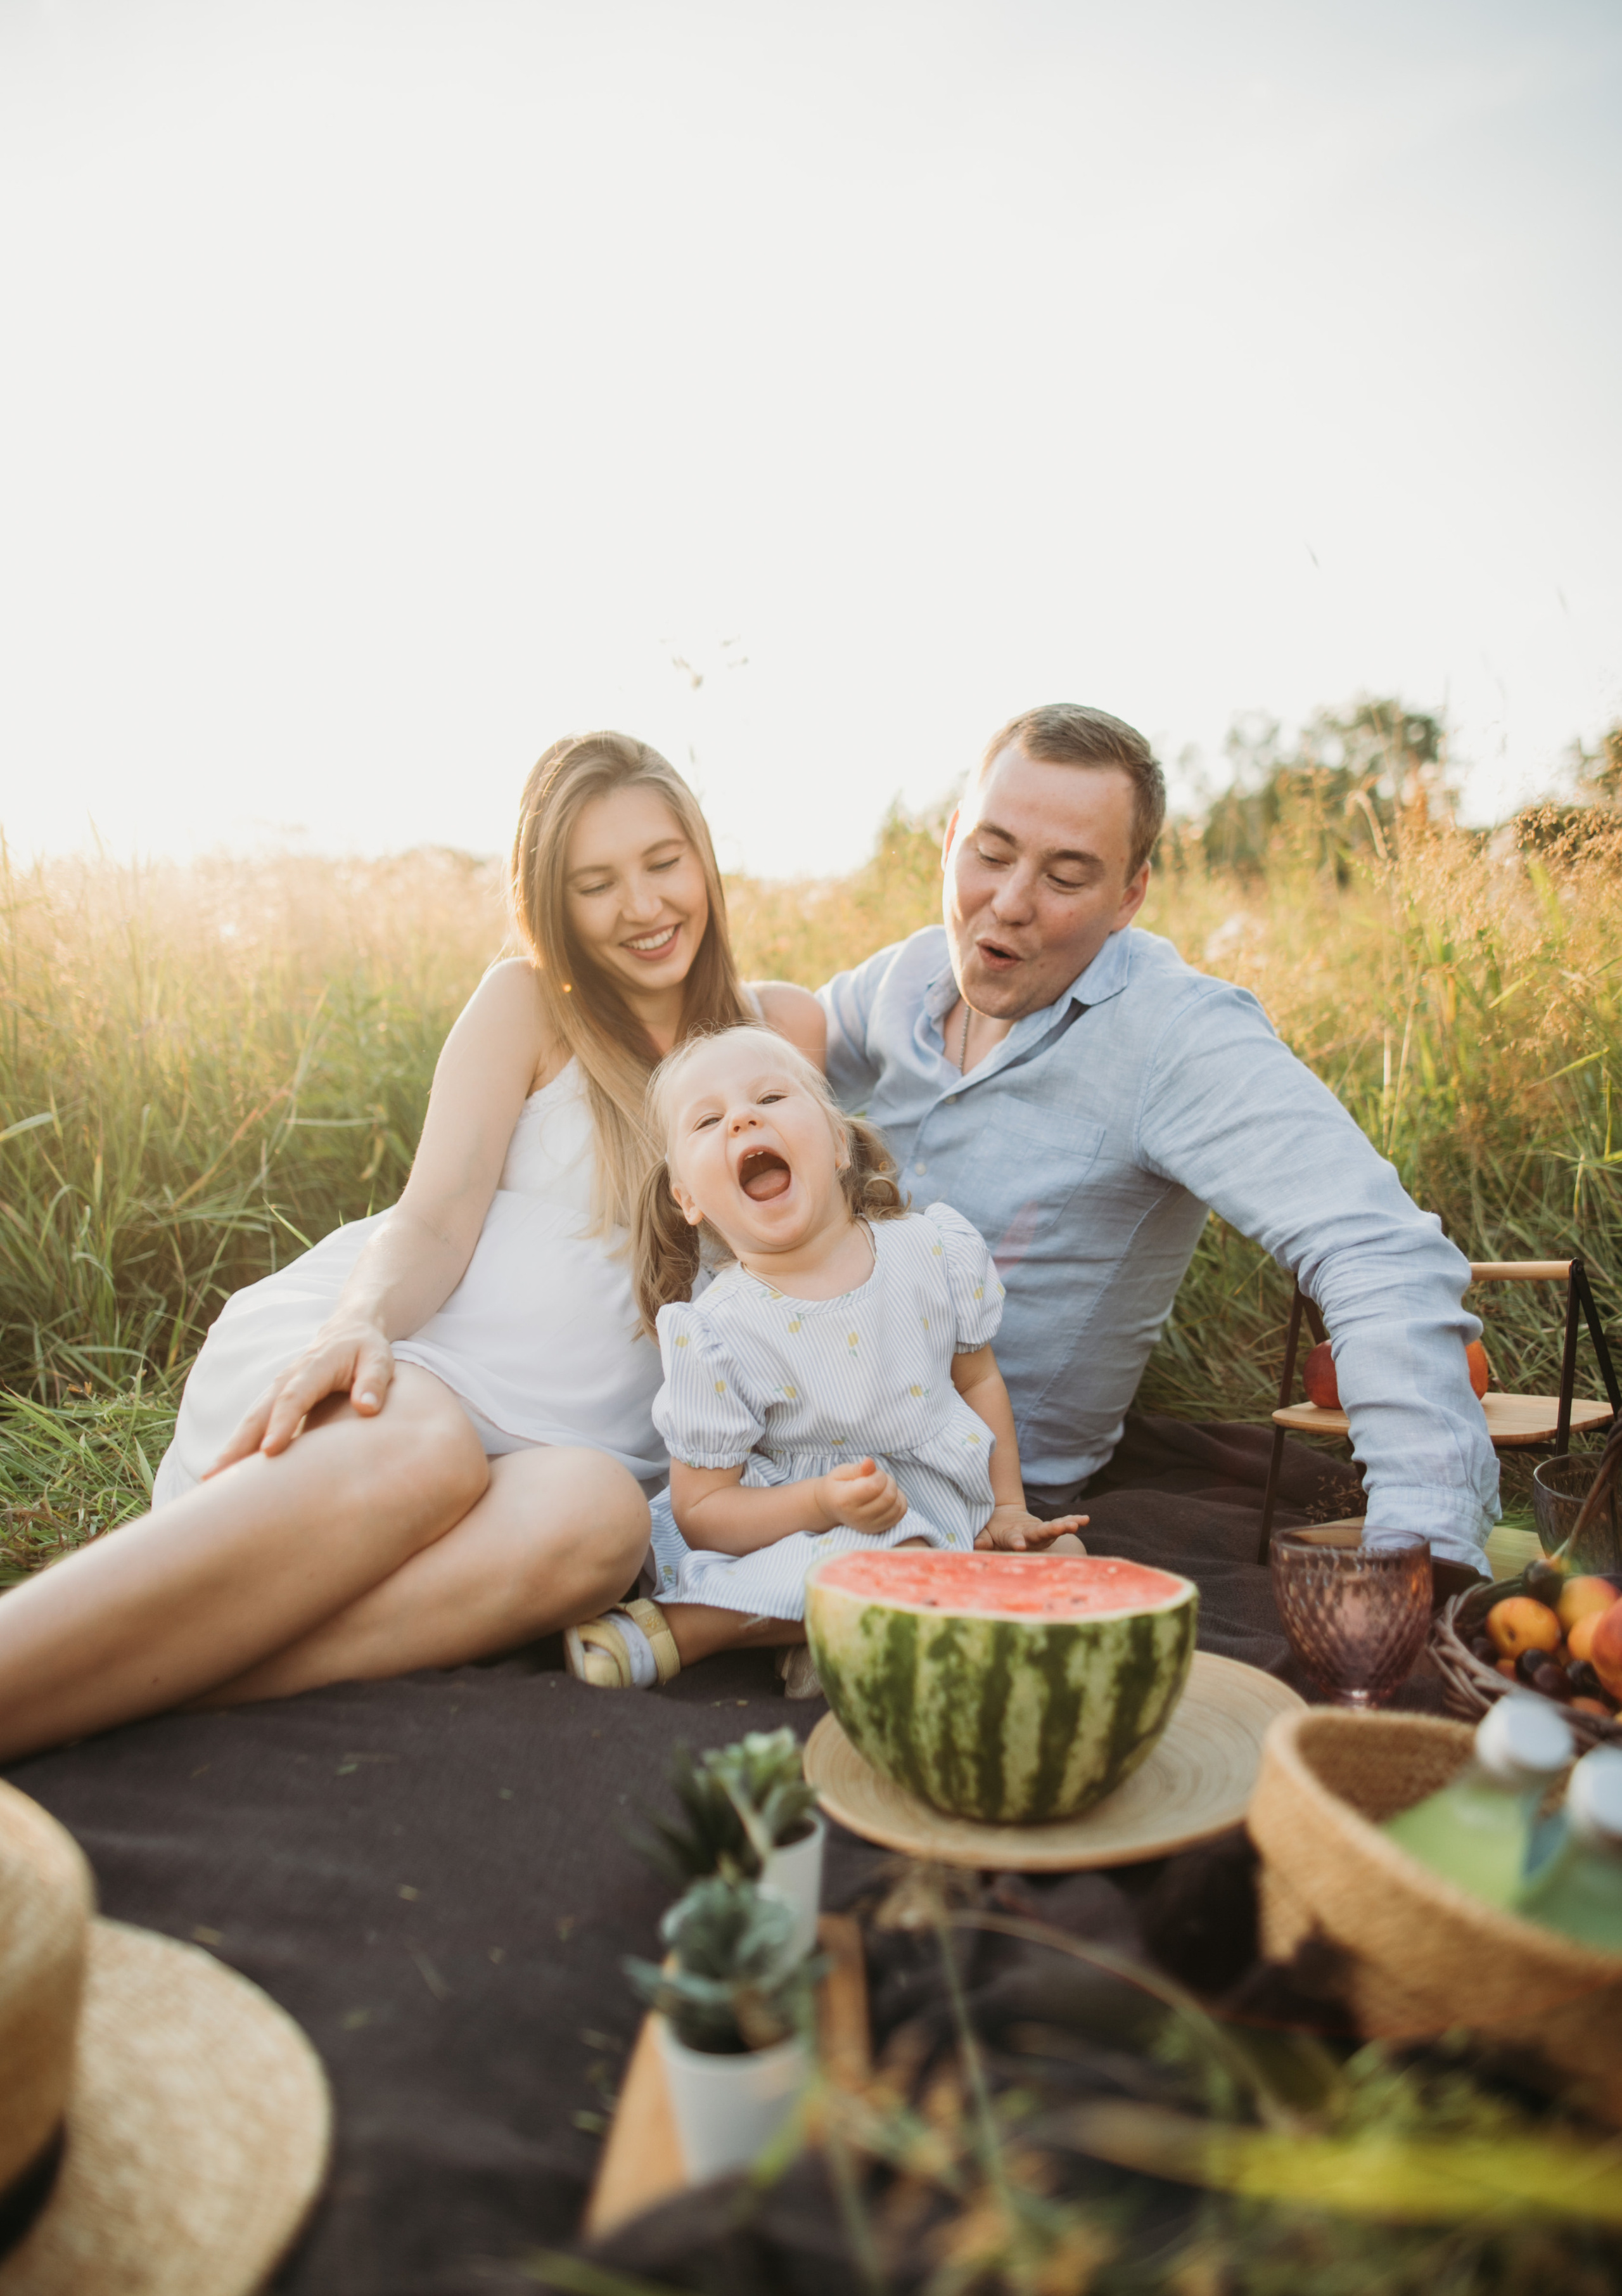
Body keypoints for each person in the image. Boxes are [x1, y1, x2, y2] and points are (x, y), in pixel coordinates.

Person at [0, 734, 819, 1763]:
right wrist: (360, 1326)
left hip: (573, 1455)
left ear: (702, 856)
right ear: (551, 901)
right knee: (426, 1446)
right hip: (427, 1353)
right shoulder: (526, 1004)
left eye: (662, 863)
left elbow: (813, 1246)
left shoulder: (782, 1030)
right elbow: (432, 1219)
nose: (644, 907)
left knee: (604, 1526)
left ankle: (159, 1688)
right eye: (595, 882)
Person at [804, 703, 1500, 1582]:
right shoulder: (909, 978)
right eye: (990, 852)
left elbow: (1373, 1247)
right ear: (951, 841)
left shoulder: (1176, 1035)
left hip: (974, 1506)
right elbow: (762, 1046)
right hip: (785, 1440)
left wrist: (1423, 1550)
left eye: (1066, 877)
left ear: (1129, 895)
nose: (1010, 903)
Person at [564, 1025, 1085, 1688]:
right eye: (707, 1120)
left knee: (1067, 1555)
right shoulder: (720, 1333)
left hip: (948, 1510)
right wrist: (822, 1504)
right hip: (798, 1531)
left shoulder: (931, 1251)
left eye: (771, 1097)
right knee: (899, 1565)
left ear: (839, 1142)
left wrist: (1009, 1508)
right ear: (687, 1199)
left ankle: (841, 1635)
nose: (743, 1118)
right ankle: (694, 1630)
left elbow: (978, 1381)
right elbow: (702, 1513)